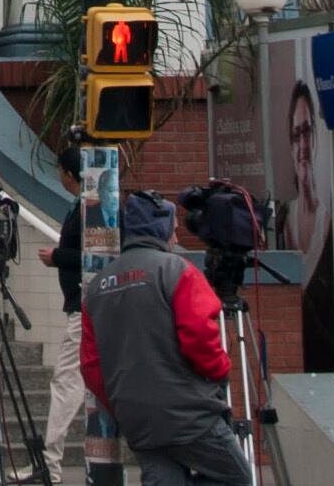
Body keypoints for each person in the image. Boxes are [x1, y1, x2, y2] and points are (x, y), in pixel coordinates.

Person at [81, 192, 249, 486]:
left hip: (136, 417)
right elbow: (199, 337)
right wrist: (221, 370)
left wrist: (120, 403)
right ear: (160, 228)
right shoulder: (177, 271)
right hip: (188, 415)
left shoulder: (96, 289)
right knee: (237, 478)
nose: (176, 236)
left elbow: (91, 366)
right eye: (173, 228)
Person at [40, 141, 93, 467]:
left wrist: (57, 256)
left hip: (84, 304)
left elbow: (97, 256)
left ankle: (50, 461)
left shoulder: (88, 207)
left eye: (60, 171)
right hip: (81, 302)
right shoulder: (84, 205)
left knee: (66, 380)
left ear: (69, 175)